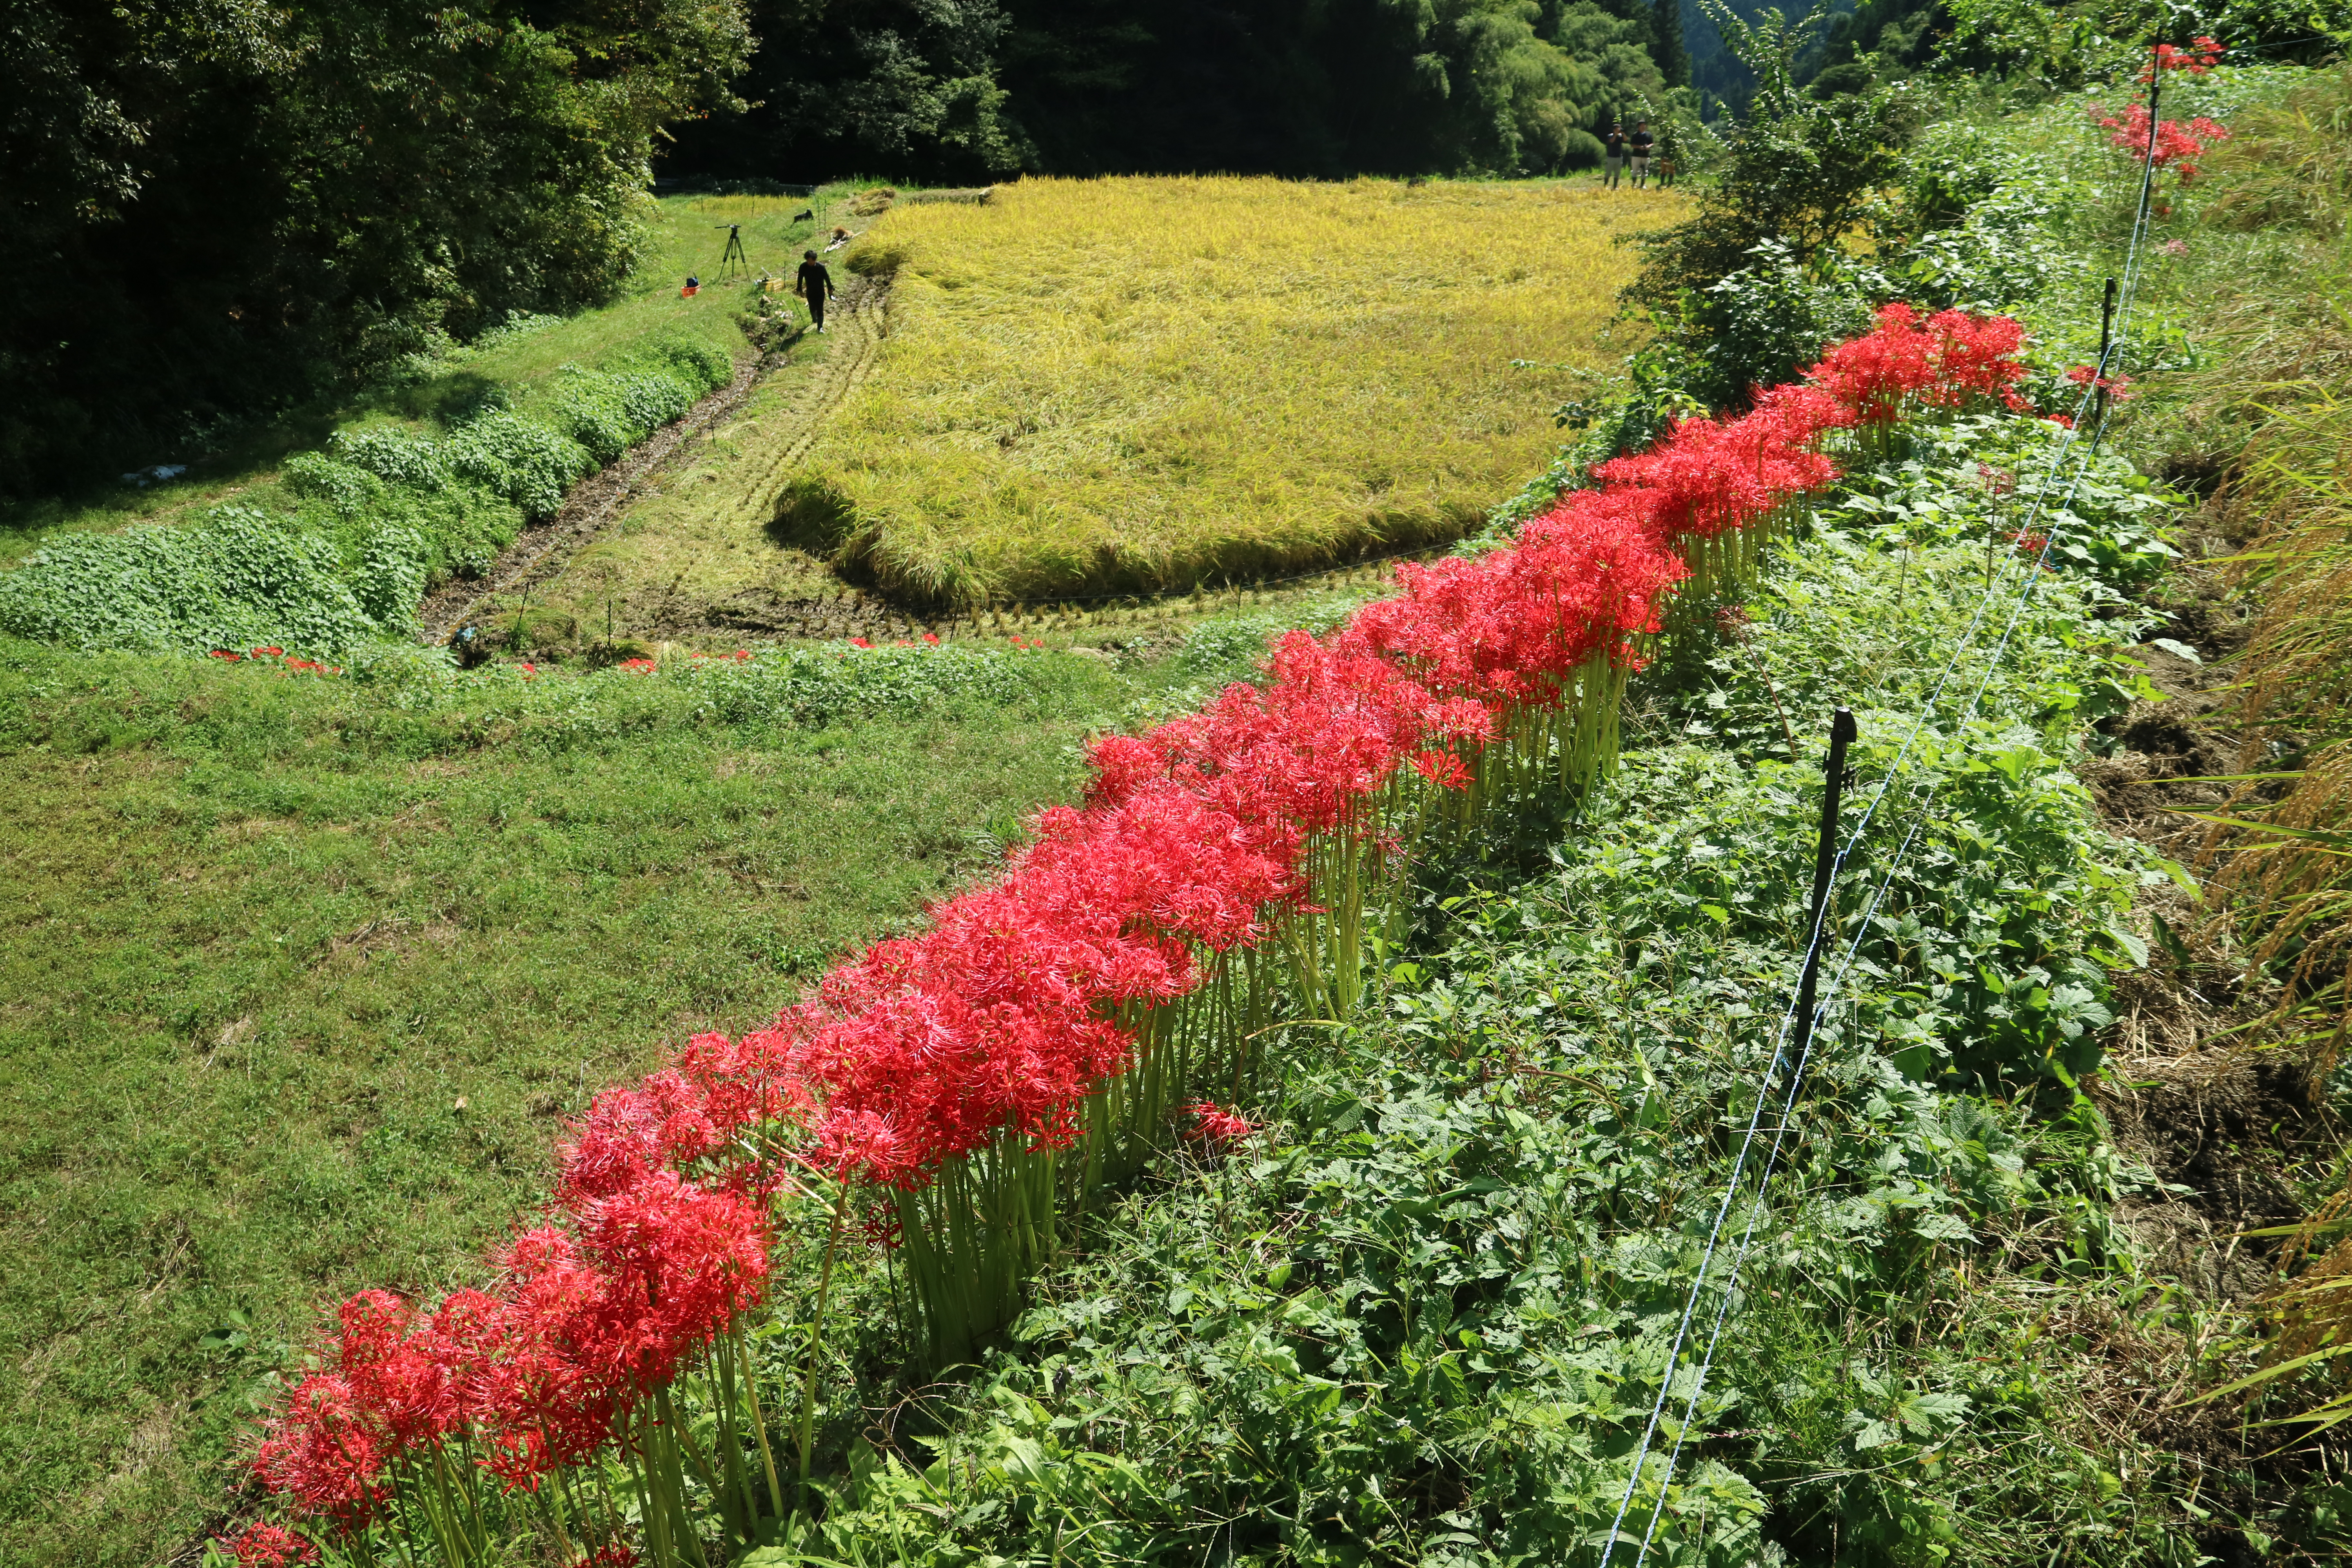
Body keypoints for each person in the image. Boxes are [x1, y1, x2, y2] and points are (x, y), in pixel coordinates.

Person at [795, 249, 836, 333]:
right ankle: (815, 321)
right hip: (810, 291)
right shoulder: (803, 267)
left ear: (815, 260)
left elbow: (827, 279)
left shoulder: (821, 267)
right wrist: (799, 289)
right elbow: (800, 278)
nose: (810, 263)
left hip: (820, 291)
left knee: (820, 308)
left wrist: (830, 290)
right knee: (812, 307)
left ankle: (820, 328)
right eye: (809, 261)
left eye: (812, 261)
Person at [1629, 119, 1654, 189]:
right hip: (1636, 155)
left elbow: (1652, 143)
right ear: (1639, 127)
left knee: (1645, 171)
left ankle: (1643, 185)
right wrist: (1639, 147)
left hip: (1646, 155)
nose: (1644, 127)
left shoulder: (1649, 134)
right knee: (1635, 170)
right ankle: (1634, 184)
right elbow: (1632, 145)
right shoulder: (1635, 135)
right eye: (1642, 125)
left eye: (1645, 125)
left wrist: (1649, 147)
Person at [1603, 122, 1626, 189]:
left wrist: (1623, 133)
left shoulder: (1621, 136)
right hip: (1611, 157)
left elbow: (1626, 140)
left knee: (1617, 173)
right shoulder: (1610, 136)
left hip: (1619, 157)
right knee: (1608, 173)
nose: (1619, 129)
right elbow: (1612, 141)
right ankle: (1605, 186)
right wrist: (1615, 135)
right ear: (1614, 129)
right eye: (1618, 128)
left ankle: (1615, 187)